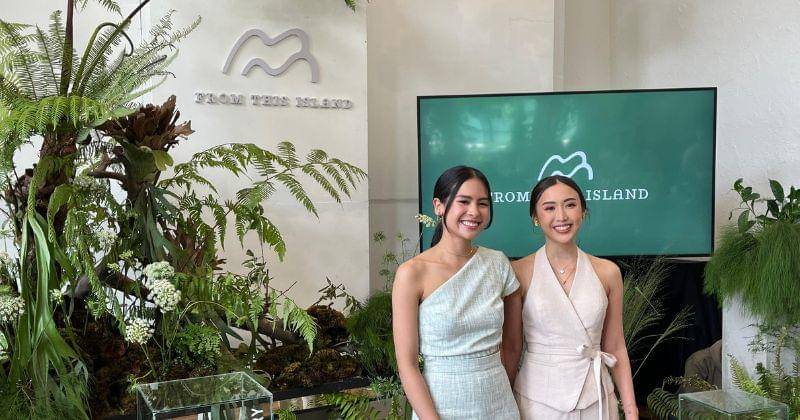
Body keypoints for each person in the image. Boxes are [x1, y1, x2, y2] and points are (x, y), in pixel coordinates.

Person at [502, 175, 638, 420]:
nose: (561, 216)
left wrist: (630, 411)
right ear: (535, 217)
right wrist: (503, 406)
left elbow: (615, 345)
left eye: (570, 205)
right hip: (537, 403)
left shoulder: (608, 272)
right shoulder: (519, 272)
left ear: (583, 212)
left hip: (597, 400)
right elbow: (512, 346)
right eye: (549, 208)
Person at [393, 165, 520, 420]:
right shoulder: (412, 273)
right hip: (440, 405)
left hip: (499, 403)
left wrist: (499, 389)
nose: (474, 211)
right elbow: (407, 365)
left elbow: (513, 344)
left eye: (482, 203)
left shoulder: (497, 263)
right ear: (438, 206)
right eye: (464, 201)